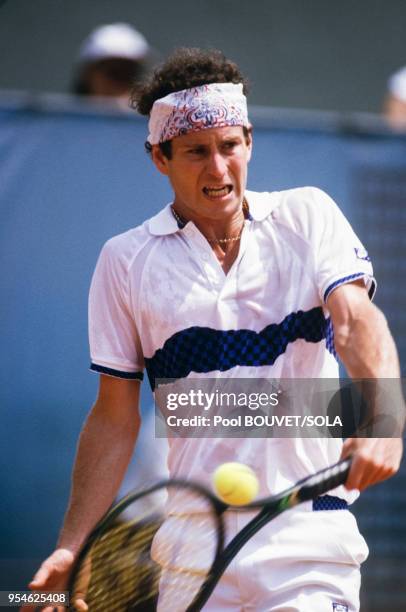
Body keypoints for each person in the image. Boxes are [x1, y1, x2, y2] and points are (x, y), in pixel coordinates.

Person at [26, 47, 403, 611]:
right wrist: (72, 546)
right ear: (159, 157)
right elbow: (114, 413)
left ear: (249, 141)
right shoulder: (124, 261)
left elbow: (355, 319)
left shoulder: (308, 215)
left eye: (229, 146)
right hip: (190, 555)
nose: (218, 168)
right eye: (196, 152)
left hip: (308, 545)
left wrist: (385, 417)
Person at [71, 23, 154, 108]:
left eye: (130, 74)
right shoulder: (64, 119)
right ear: (88, 75)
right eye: (114, 73)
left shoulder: (149, 119)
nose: (121, 84)